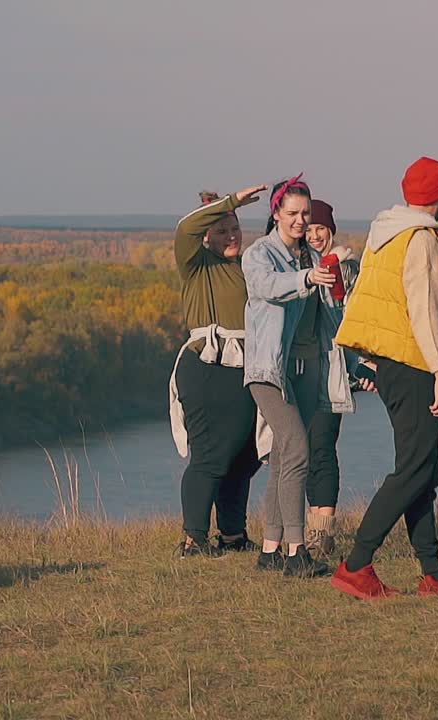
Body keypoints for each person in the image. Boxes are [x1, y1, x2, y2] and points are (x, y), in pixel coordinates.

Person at [332, 156, 438, 598]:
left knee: (422, 470)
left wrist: (375, 357)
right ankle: (356, 565)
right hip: (415, 364)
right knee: (414, 470)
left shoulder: (386, 234)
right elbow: (423, 311)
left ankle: (434, 575)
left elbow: (376, 303)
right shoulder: (422, 241)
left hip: (393, 362)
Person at [169, 185, 269, 557]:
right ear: (208, 236)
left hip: (245, 367)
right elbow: (185, 229)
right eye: (223, 230)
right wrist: (230, 203)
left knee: (243, 456)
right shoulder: (196, 264)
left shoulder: (247, 268)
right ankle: (193, 539)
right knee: (211, 456)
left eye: (236, 228)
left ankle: (232, 535)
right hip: (209, 367)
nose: (232, 236)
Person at [240, 174, 332, 578]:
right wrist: (305, 279)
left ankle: (270, 547)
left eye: (305, 213)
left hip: (304, 369)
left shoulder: (307, 257)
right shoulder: (259, 254)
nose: (299, 221)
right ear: (276, 213)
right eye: (292, 213)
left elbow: (325, 317)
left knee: (281, 457)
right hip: (268, 369)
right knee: (297, 449)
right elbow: (266, 287)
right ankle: (298, 552)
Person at [293, 199, 374, 557]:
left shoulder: (350, 271)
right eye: (308, 229)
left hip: (334, 371)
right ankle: (301, 532)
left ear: (330, 230)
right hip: (297, 370)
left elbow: (360, 318)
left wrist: (367, 363)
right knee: (299, 451)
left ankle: (321, 534)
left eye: (320, 229)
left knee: (321, 447)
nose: (314, 235)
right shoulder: (296, 269)